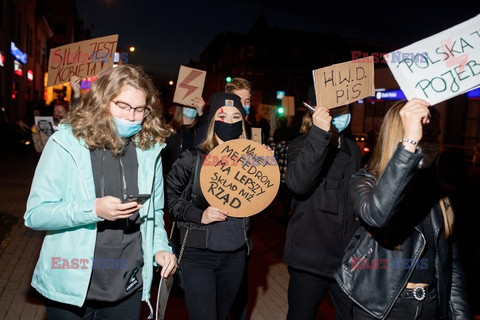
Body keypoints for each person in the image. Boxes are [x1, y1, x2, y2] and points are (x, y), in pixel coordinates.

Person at [24, 65, 177, 320]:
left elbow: (155, 211)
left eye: (139, 110)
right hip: (71, 283)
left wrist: (159, 247)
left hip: (126, 285)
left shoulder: (150, 150)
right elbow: (36, 214)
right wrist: (93, 209)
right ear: (102, 101)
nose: (131, 117)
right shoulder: (66, 143)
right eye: (123, 106)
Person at [335, 99, 472, 319]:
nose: (432, 143)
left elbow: (451, 266)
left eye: (435, 135)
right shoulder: (365, 181)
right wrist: (409, 146)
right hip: (380, 307)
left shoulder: (438, 193)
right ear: (402, 135)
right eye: (424, 135)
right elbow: (378, 214)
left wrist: (460, 314)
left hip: (429, 305)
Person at [166, 92, 263, 320]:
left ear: (242, 122)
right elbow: (169, 197)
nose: (229, 122)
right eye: (222, 116)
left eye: (235, 116)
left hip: (235, 254)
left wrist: (264, 173)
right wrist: (199, 215)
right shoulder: (192, 158)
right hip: (198, 254)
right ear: (211, 122)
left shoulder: (251, 161)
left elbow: (260, 205)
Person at [283, 87, 362, 320]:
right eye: (334, 109)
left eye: (344, 108)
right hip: (310, 258)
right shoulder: (302, 144)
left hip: (346, 259)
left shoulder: (353, 149)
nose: (341, 114)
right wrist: (319, 133)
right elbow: (298, 185)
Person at [162, 98, 206, 175]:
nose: (191, 107)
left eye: (194, 105)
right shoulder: (168, 131)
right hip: (173, 178)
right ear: (180, 106)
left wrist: (202, 114)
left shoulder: (201, 131)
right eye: (188, 104)